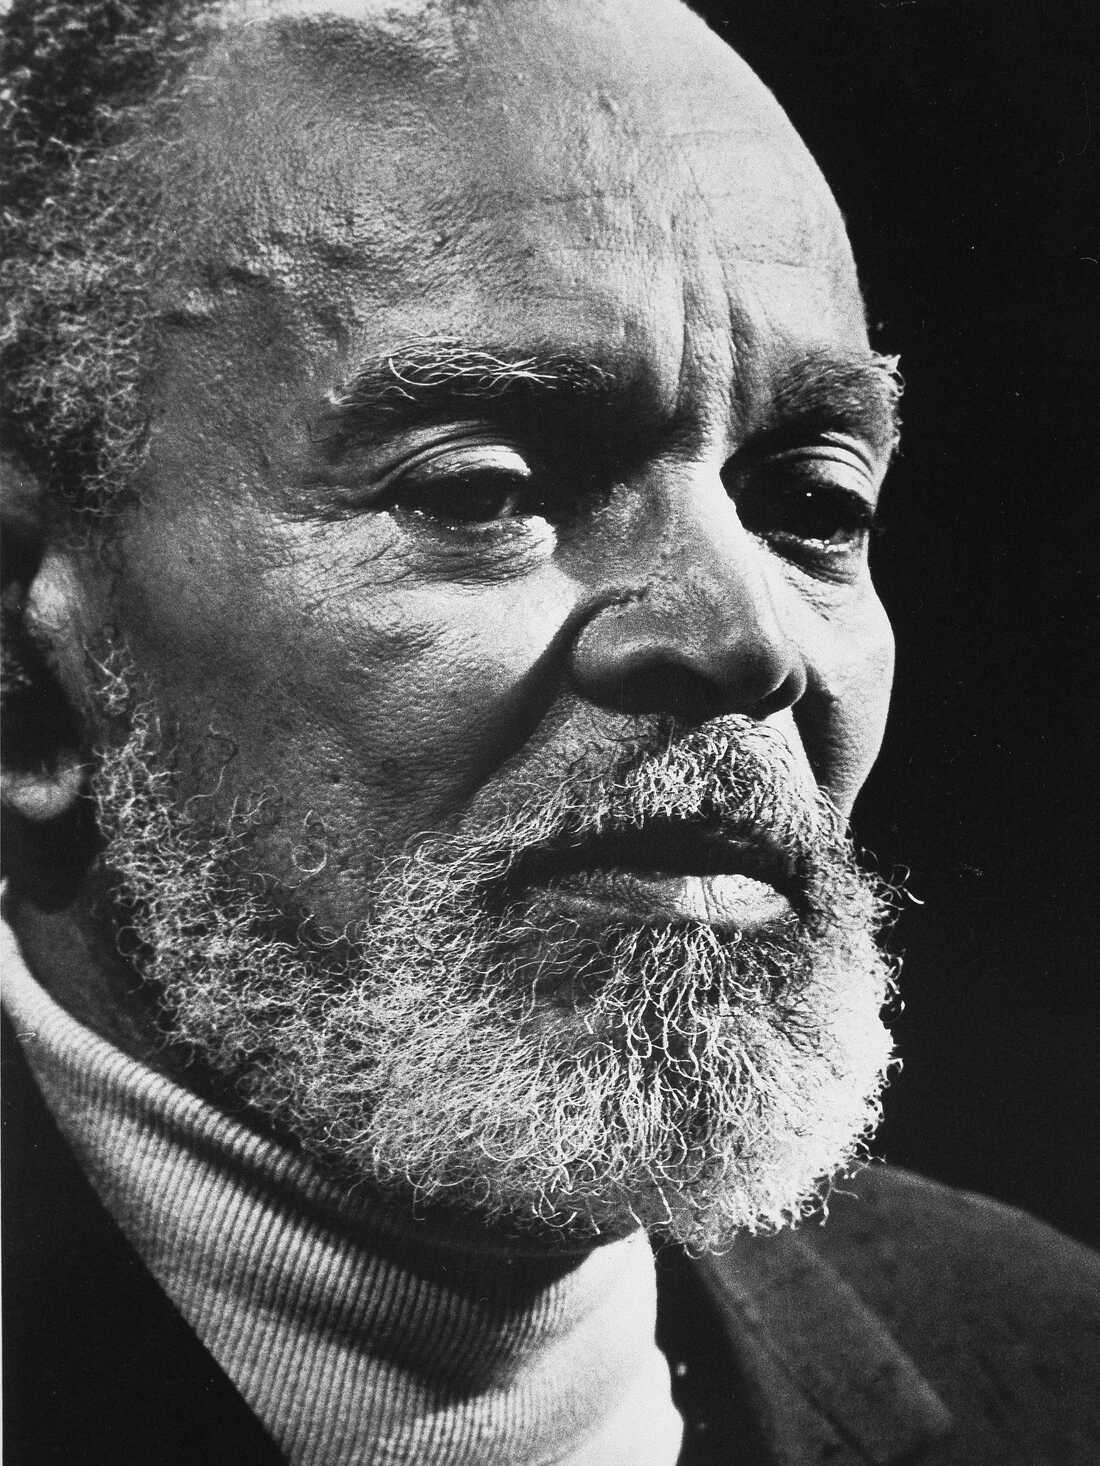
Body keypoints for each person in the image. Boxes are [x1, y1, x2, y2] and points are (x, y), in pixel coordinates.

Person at [2, 1, 1097, 1462]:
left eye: (812, 506)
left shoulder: (1051, 1362)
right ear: (28, 673)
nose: (748, 636)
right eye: (485, 490)